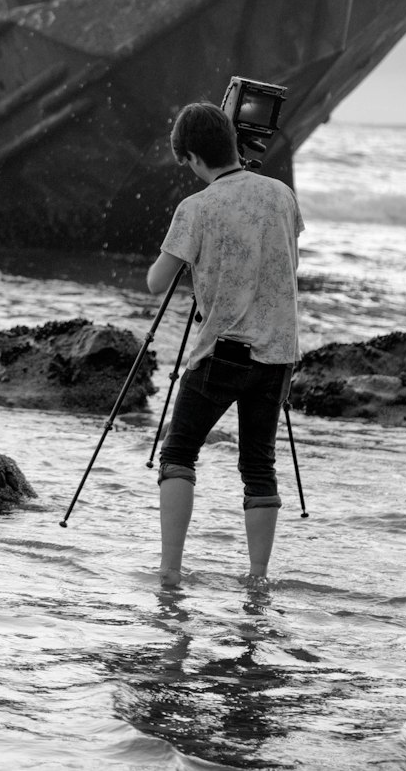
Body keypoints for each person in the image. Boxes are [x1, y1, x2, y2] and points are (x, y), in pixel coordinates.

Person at [146, 100, 303, 586]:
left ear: (193, 157)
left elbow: (157, 282)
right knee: (259, 464)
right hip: (279, 352)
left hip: (223, 352)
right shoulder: (282, 195)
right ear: (235, 143)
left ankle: (170, 571)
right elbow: (287, 264)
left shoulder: (196, 207)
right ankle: (257, 581)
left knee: (178, 453)